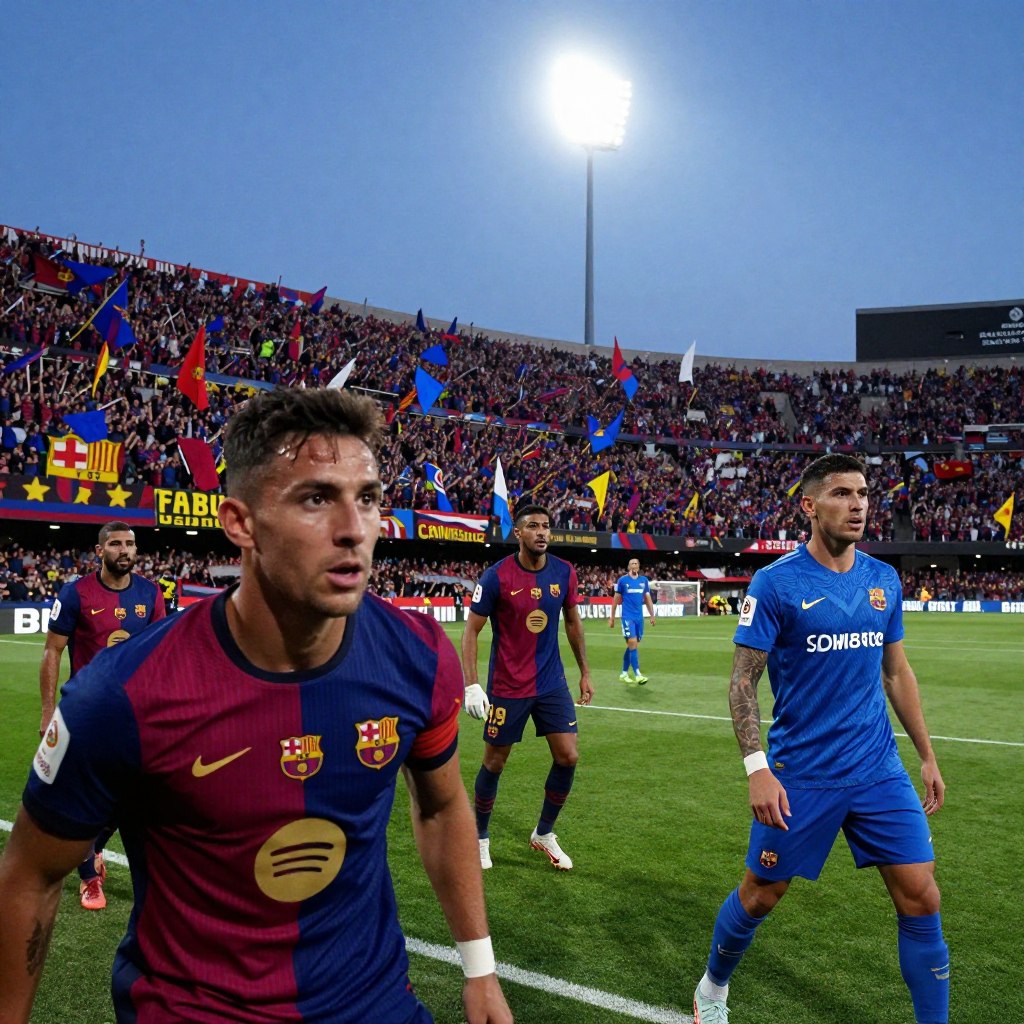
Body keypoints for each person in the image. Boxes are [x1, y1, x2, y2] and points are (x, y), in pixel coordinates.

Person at [1, 388, 511, 1024]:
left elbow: (440, 807)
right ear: (240, 523)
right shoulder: (122, 695)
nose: (354, 529)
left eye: (369, 498)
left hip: (374, 1005)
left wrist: (481, 969)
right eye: (316, 498)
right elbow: (31, 874)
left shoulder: (417, 655)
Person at [692, 454, 948, 1024]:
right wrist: (757, 767)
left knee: (921, 896)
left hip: (879, 767)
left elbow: (896, 672)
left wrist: (926, 756)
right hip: (803, 772)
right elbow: (742, 680)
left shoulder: (883, 580)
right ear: (808, 506)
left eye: (862, 494)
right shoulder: (775, 583)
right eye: (841, 494)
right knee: (761, 893)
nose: (857, 504)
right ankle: (712, 987)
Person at [38, 520, 166, 911]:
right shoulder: (76, 592)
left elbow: (159, 654)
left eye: (130, 543)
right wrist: (48, 713)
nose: (125, 550)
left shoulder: (151, 592)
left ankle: (91, 850)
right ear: (100, 551)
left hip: (134, 714)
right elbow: (52, 652)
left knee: (129, 796)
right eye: (115, 544)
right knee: (81, 798)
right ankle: (90, 881)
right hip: (86, 713)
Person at [461, 503, 593, 872]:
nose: (542, 532)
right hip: (507, 685)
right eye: (533, 526)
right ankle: (480, 836)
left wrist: (584, 671)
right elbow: (470, 631)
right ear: (517, 533)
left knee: (568, 756)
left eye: (546, 526)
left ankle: (544, 833)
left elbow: (572, 622)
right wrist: (472, 685)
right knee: (495, 762)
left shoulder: (564, 572)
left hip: (551, 683)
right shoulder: (496, 576)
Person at [608, 556, 656, 684]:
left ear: (639, 566)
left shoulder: (644, 581)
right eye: (632, 563)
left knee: (632, 645)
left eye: (636, 563)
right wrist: (612, 617)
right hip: (627, 617)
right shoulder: (623, 581)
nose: (634, 565)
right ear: (629, 567)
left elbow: (647, 599)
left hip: (639, 618)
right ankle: (637, 674)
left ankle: (624, 673)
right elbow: (616, 599)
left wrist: (652, 615)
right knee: (633, 643)